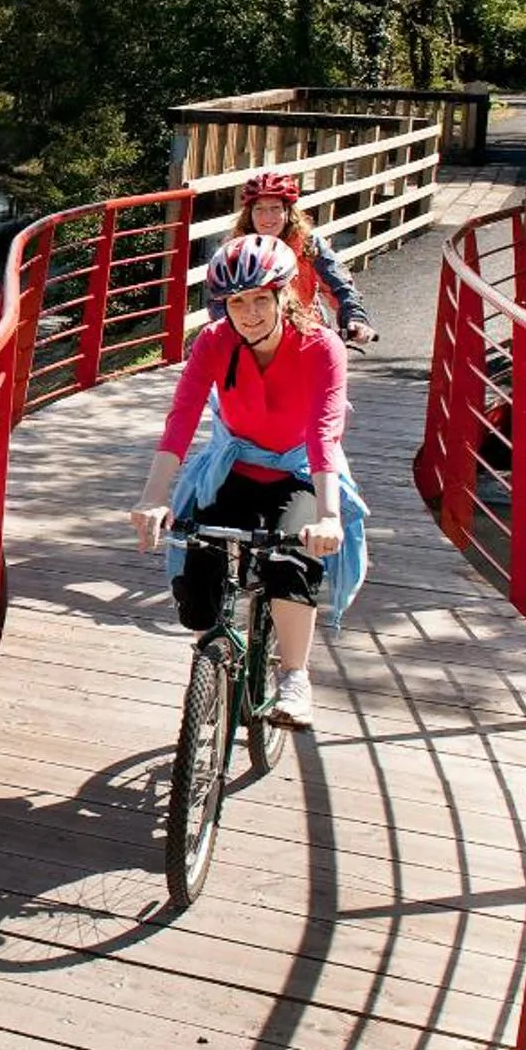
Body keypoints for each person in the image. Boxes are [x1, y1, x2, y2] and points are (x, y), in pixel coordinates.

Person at [131, 234, 369, 728]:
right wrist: (154, 497)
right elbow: (182, 417)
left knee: (291, 561)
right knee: (196, 559)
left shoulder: (321, 346)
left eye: (261, 298)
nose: (249, 313)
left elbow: (324, 433)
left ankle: (295, 676)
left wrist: (328, 516)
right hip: (233, 464)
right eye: (237, 302)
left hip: (298, 470)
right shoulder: (214, 341)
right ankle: (210, 664)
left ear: (284, 294)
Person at [207, 172, 377, 344]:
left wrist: (355, 317)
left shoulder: (308, 244)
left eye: (275, 208)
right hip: (253, 334)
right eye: (259, 209)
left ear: (288, 212)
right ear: (249, 214)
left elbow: (339, 284)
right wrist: (234, 334)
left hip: (306, 331)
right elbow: (219, 301)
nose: (267, 217)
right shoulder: (235, 251)